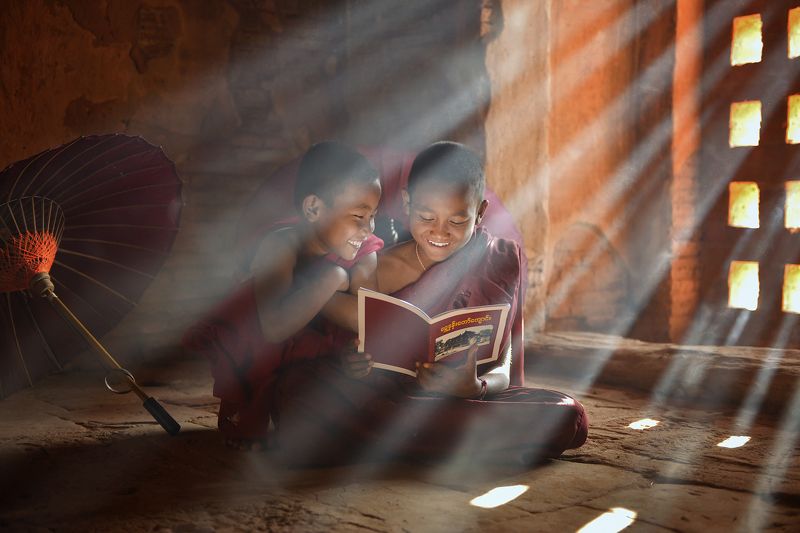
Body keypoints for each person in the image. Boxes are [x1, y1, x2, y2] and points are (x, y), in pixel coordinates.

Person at [272, 142, 588, 466]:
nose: (440, 232)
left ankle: (393, 448)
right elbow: (346, 348)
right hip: (392, 402)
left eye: (457, 221)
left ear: (480, 212)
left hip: (463, 403)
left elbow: (502, 367)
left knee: (567, 414)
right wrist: (354, 362)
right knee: (307, 401)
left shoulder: (500, 259)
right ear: (407, 203)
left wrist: (475, 387)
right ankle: (455, 447)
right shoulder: (375, 268)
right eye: (426, 217)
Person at [182, 141, 383, 450]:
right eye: (358, 216)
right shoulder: (281, 245)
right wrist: (332, 277)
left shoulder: (364, 247)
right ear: (313, 209)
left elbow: (367, 313)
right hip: (265, 340)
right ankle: (248, 419)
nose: (368, 228)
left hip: (315, 342)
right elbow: (273, 329)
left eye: (374, 216)